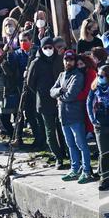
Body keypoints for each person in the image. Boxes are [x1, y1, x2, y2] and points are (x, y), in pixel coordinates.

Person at [51, 50, 94, 184]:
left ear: (74, 61)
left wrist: (60, 96)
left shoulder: (78, 76)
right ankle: (74, 168)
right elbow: (52, 91)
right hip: (63, 116)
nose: (68, 62)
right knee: (70, 144)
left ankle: (86, 171)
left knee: (81, 144)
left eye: (70, 60)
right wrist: (59, 91)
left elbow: (71, 95)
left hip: (75, 116)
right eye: (66, 59)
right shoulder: (61, 75)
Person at [25, 39, 66, 169]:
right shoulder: (36, 63)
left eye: (50, 47)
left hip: (60, 99)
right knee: (50, 132)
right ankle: (58, 156)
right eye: (46, 47)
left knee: (62, 129)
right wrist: (41, 91)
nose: (48, 49)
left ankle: (66, 152)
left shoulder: (60, 60)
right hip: (44, 101)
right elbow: (30, 83)